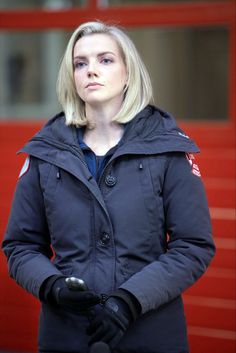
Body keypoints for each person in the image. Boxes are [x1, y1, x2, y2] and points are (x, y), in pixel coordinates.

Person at [2, 21, 215, 353]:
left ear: (128, 73)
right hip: (67, 337)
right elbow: (20, 246)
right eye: (80, 63)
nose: (91, 71)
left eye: (105, 60)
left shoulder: (169, 147)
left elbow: (193, 246)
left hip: (150, 336)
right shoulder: (45, 152)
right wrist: (53, 286)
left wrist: (130, 301)